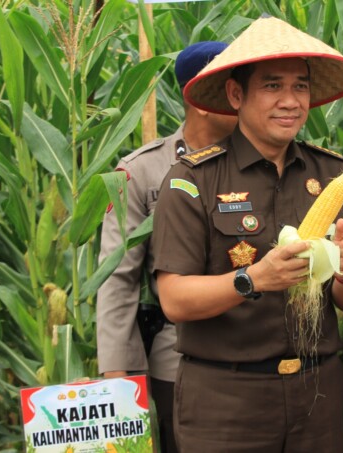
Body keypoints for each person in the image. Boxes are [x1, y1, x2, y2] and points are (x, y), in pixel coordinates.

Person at [150, 16, 343, 452]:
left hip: (316, 394)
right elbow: (174, 299)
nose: (290, 101)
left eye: (300, 87)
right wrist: (253, 280)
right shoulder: (194, 180)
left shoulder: (331, 173)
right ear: (236, 94)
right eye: (273, 86)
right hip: (227, 403)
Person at [96, 41, 236, 453]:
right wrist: (118, 377)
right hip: (179, 365)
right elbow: (117, 280)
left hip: (258, 363)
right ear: (204, 99)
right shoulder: (142, 171)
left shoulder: (262, 162)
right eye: (235, 88)